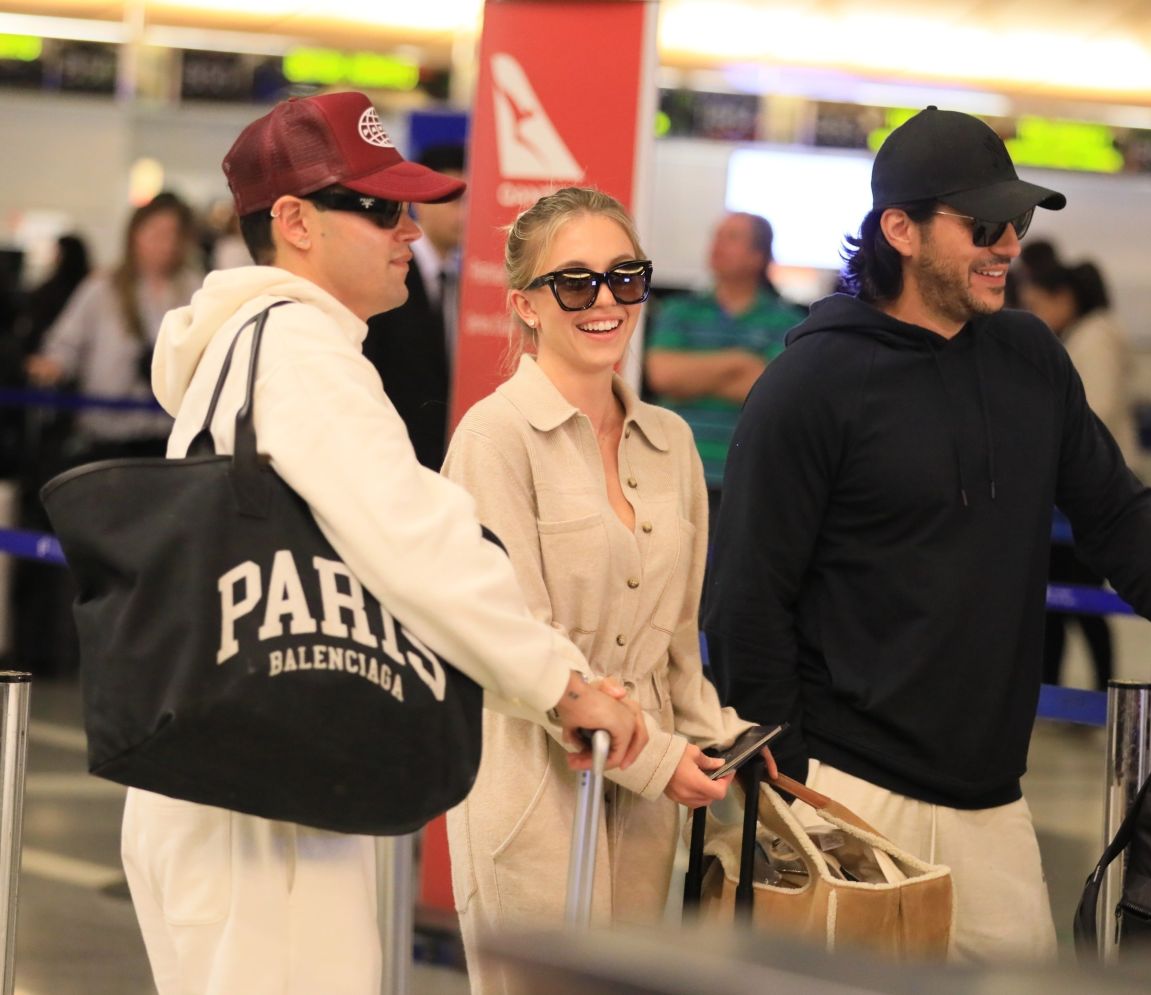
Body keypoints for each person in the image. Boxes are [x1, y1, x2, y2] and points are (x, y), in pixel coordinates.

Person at [124, 92, 646, 995]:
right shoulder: (300, 351)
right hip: (269, 805)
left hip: (217, 774)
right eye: (376, 207)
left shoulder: (240, 345)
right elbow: (416, 539)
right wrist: (561, 683)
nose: (409, 226)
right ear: (292, 221)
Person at [703, 106, 1151, 963]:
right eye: (983, 225)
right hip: (849, 793)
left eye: (1016, 222)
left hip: (993, 801)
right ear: (899, 229)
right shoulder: (810, 385)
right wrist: (795, 786)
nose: (1009, 242)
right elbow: (748, 601)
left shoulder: (1030, 359)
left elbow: (1117, 516)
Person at [443, 187, 770, 994]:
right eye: (575, 282)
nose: (606, 302)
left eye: (626, 278)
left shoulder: (671, 441)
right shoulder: (494, 437)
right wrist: (661, 758)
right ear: (524, 303)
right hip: (533, 789)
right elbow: (515, 636)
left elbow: (677, 638)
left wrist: (719, 740)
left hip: (649, 800)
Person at [1016, 245, 1140, 689]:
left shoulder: (1095, 336)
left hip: (1095, 486)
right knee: (1062, 601)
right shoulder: (1088, 334)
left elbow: (1097, 410)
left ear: (1063, 296)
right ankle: (1051, 688)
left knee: (1083, 600)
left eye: (1039, 304)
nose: (1036, 313)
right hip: (1083, 484)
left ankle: (1104, 691)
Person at [644, 212, 800, 521]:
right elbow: (662, 375)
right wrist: (742, 361)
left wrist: (691, 376)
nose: (717, 245)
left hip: (749, 482)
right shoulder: (679, 311)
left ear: (758, 256)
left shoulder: (790, 323)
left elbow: (767, 393)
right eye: (716, 235)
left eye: (732, 237)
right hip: (676, 476)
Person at [27, 194, 201, 461]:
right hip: (107, 434)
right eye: (155, 233)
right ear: (135, 235)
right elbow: (66, 343)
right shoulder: (102, 288)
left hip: (170, 436)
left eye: (173, 234)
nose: (165, 244)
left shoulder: (198, 290)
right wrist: (51, 366)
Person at [364, 144, 467, 470]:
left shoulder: (463, 284)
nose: (465, 214)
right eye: (455, 201)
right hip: (391, 458)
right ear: (420, 203)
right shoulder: (386, 275)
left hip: (445, 460)